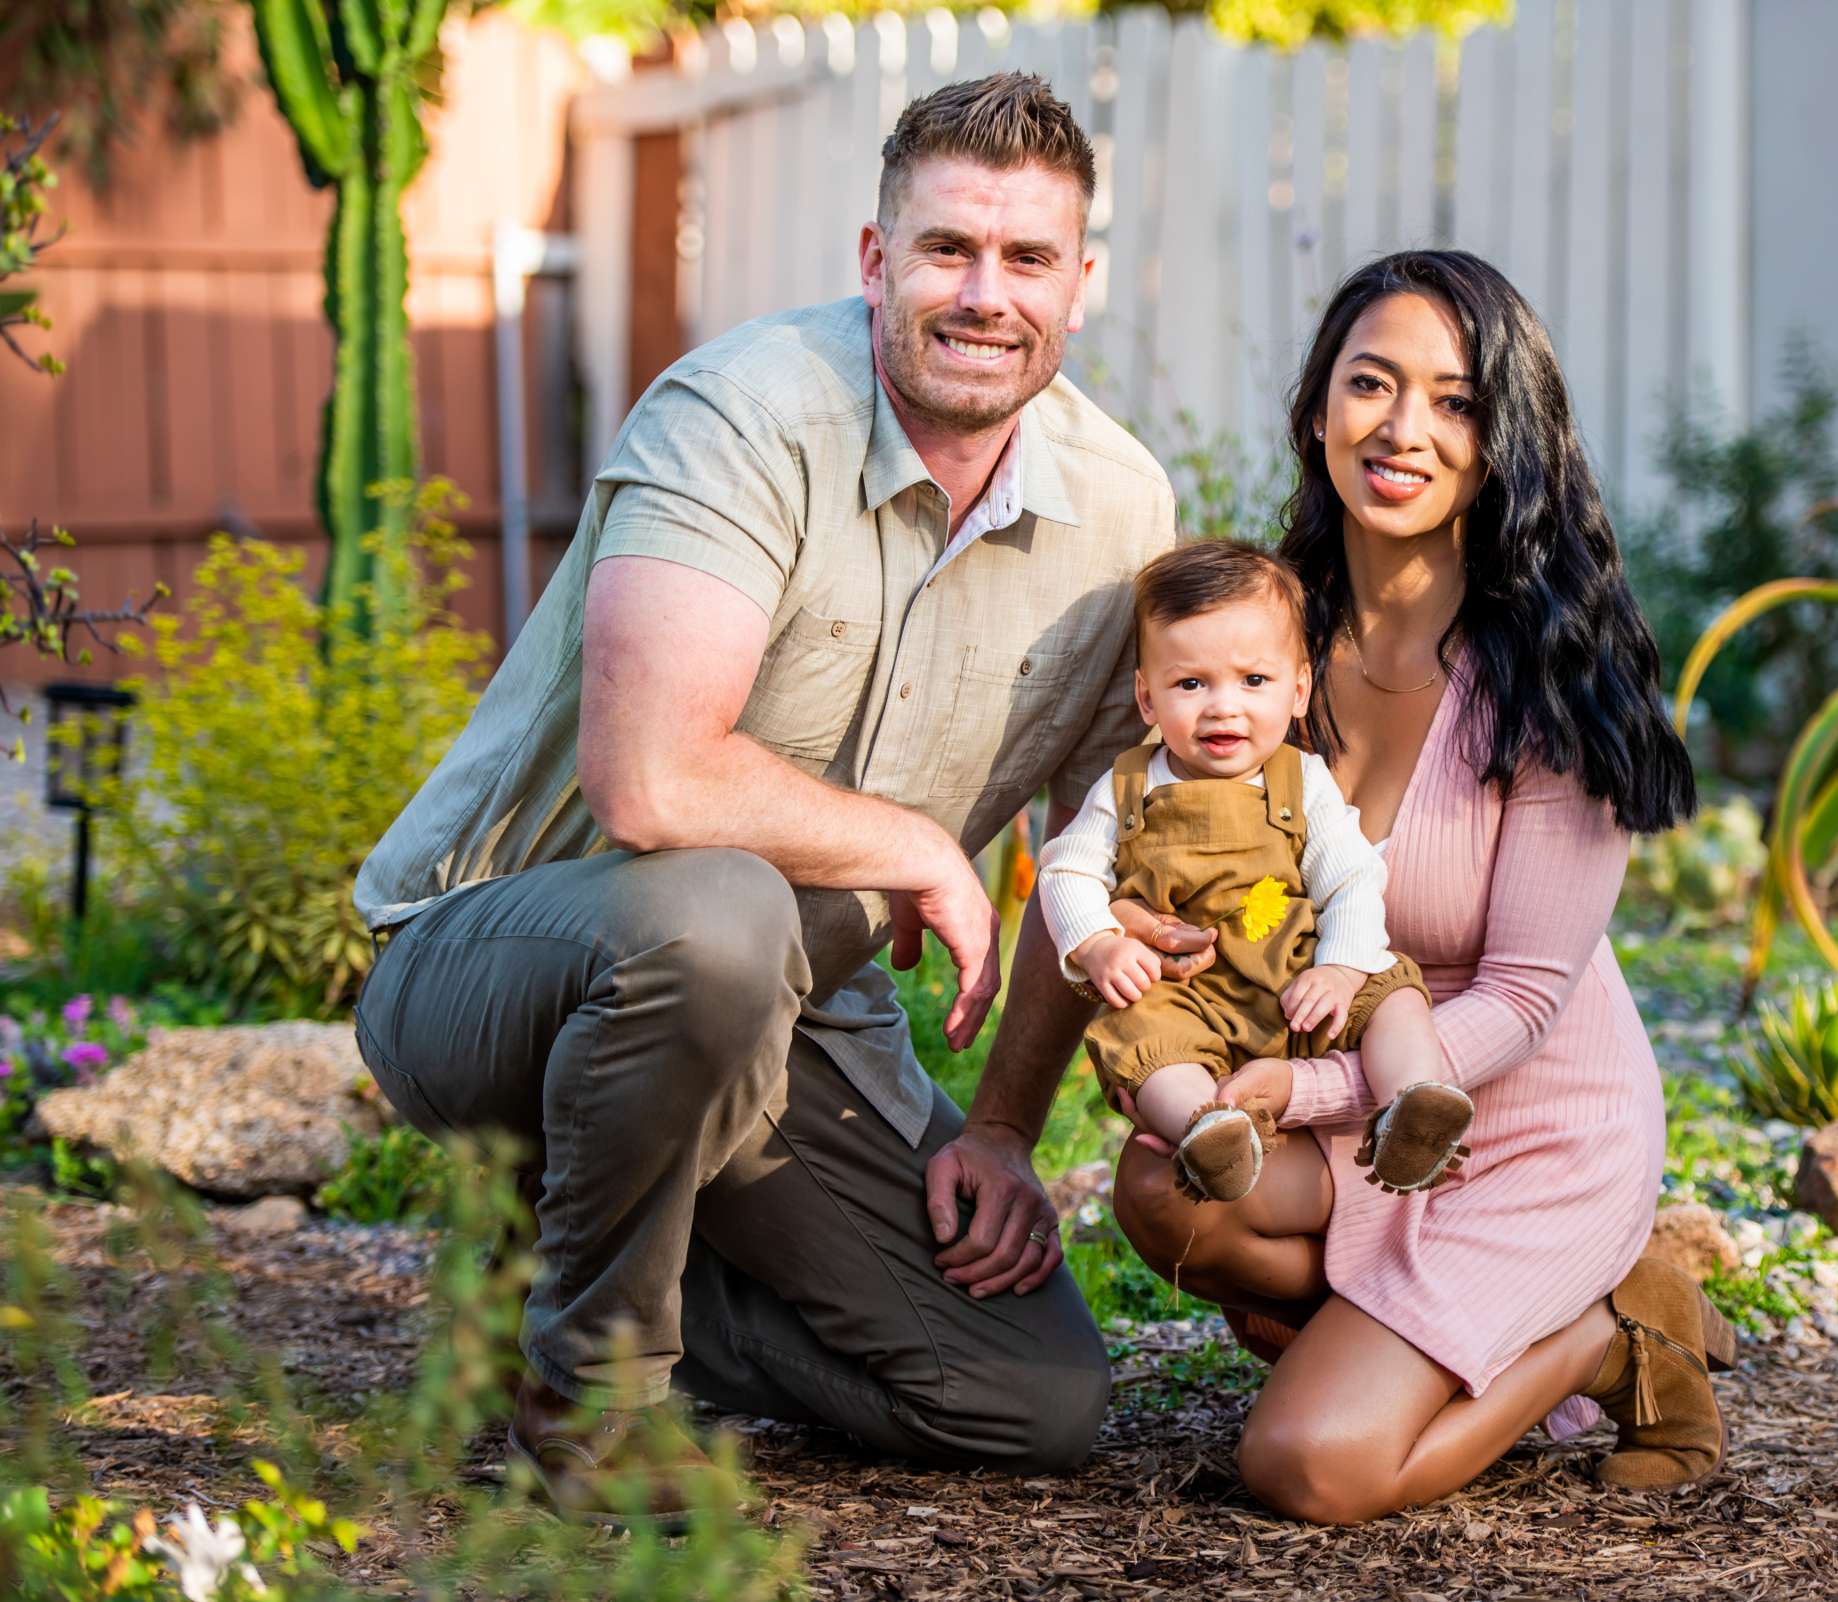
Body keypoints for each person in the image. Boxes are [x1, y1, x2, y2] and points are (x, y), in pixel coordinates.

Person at [348, 72, 1202, 1525]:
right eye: (946, 250)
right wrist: (920, 847)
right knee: (718, 911)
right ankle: (594, 1397)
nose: (984, 294)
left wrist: (999, 1128)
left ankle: (557, 1276)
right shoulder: (743, 412)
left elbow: (1091, 849)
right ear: (876, 259)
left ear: (1083, 284)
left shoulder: (1121, 513)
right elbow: (650, 776)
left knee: (1032, 1394)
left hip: (798, 1017)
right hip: (496, 966)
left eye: (1027, 259)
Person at [1108, 250, 1733, 1525]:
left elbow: (1521, 998)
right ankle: (1408, 1334)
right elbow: (1182, 849)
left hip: (1522, 1124)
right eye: (1371, 384)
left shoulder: (1555, 682)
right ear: (1315, 409)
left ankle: (1605, 1331)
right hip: (1355, 1106)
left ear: (1506, 438)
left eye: (1454, 401)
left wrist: (1317, 1087)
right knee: (1166, 1190)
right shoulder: (1264, 644)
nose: (1404, 430)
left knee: (1307, 1468)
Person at [1034, 540, 1469, 1206]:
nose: (1222, 707)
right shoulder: (1126, 788)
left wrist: (1343, 967)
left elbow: (1351, 878)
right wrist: (1097, 943)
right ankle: (1211, 1127)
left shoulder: (1304, 781)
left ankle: (1413, 1103)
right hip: (1187, 996)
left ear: (1299, 690)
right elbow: (1065, 869)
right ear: (1147, 698)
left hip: (1299, 981)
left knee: (1394, 992)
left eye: (1253, 681)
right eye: (1191, 683)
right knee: (1142, 1037)